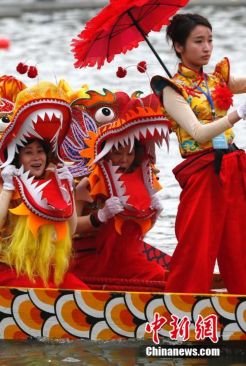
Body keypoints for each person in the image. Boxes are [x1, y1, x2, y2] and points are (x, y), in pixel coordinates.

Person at [151, 13, 246, 294]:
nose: (207, 48)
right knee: (198, 242)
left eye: (210, 40)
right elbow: (198, 133)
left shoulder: (217, 80)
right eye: (198, 41)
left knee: (239, 240)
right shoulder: (171, 89)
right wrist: (235, 115)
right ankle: (183, 303)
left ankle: (241, 295)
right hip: (203, 172)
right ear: (179, 47)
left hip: (233, 166)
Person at [0, 138, 87, 289]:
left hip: (42, 269)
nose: (36, 157)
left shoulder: (56, 182)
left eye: (40, 151)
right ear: (17, 158)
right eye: (28, 152)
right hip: (4, 267)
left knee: (80, 291)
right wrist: (8, 188)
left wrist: (68, 191)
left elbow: (70, 230)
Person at [70, 140, 166, 283]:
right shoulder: (85, 182)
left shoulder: (140, 182)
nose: (124, 160)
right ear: (104, 153)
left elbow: (135, 233)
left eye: (130, 153)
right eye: (117, 153)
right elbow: (71, 228)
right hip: (86, 257)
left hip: (123, 256)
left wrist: (153, 216)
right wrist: (100, 216)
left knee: (160, 276)